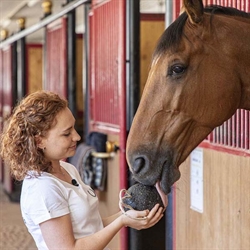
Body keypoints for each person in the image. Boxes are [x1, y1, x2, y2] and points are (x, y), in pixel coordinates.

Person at [0, 90, 164, 250]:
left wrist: (126, 216)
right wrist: (122, 222)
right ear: (39, 141)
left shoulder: (67, 169)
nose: (77, 137)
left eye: (73, 128)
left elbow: (89, 227)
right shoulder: (43, 189)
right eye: (66, 134)